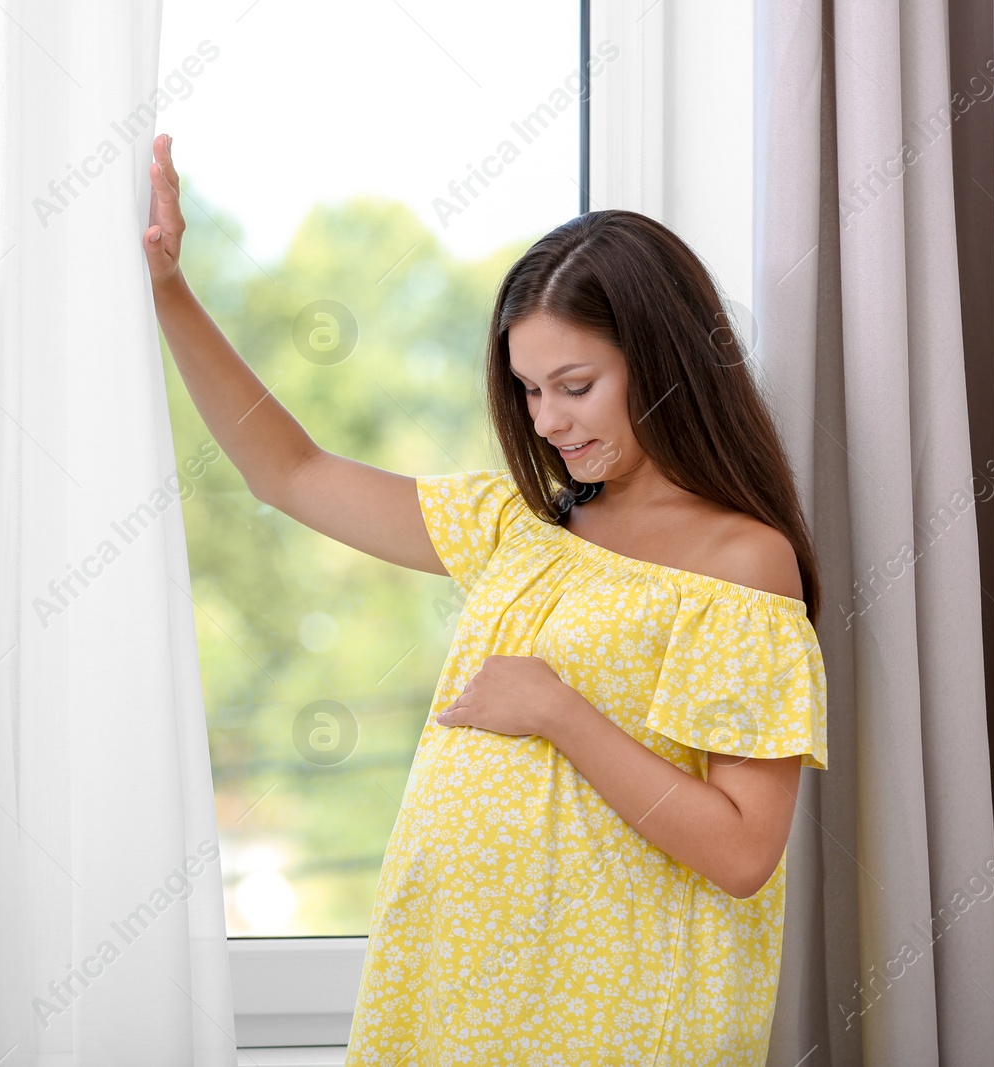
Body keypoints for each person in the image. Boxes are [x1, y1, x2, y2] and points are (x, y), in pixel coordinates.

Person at [143, 132, 829, 1065]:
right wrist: (170, 291)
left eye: (577, 386)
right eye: (530, 389)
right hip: (452, 993)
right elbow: (291, 472)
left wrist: (557, 709)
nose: (548, 421)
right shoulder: (518, 523)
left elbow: (745, 850)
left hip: (612, 1019)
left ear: (665, 359)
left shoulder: (740, 564)